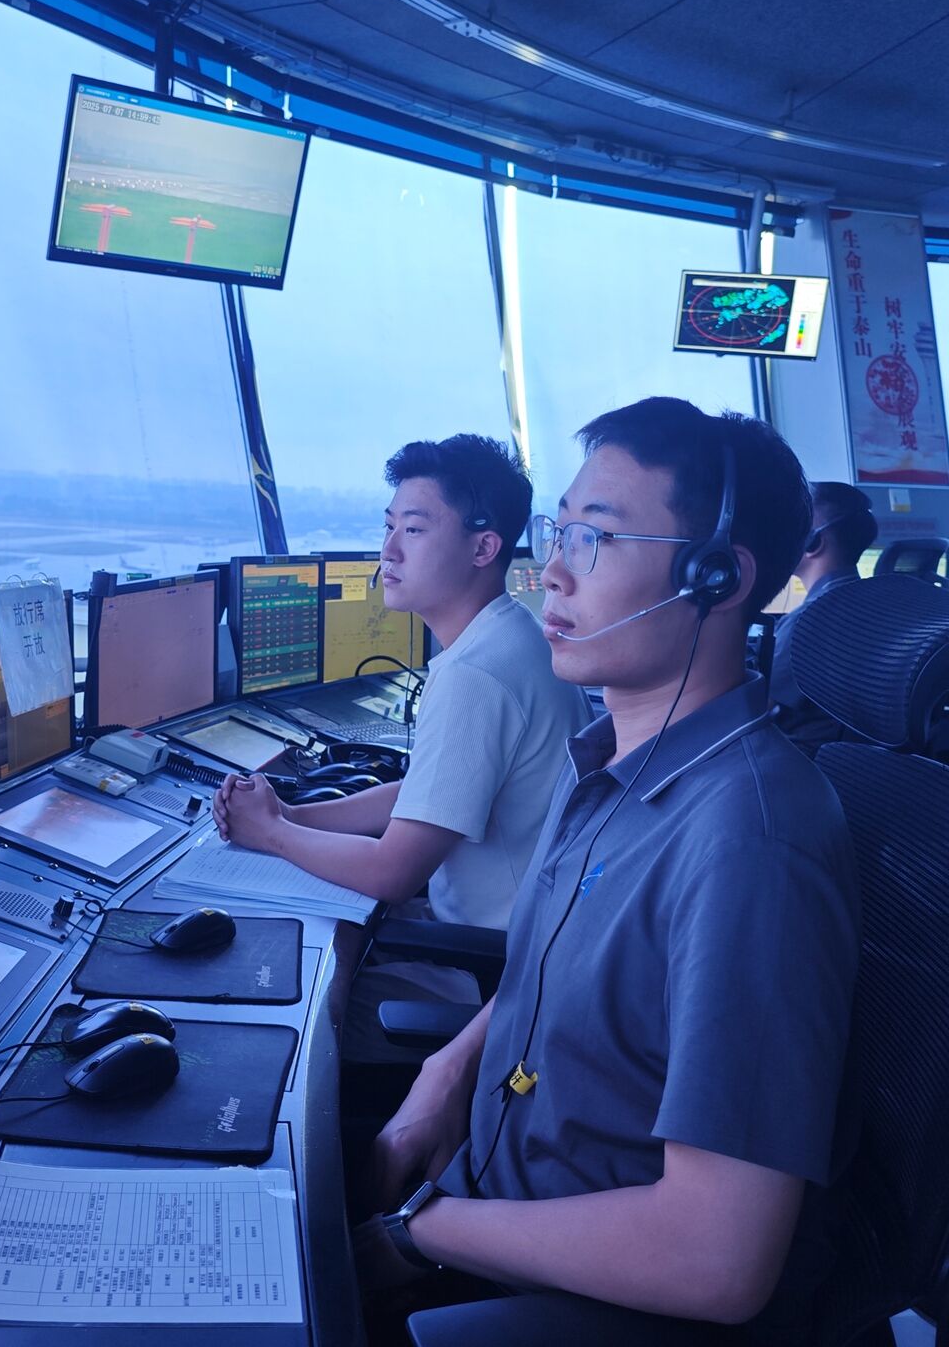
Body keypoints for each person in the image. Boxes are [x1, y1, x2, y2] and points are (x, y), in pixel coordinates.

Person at [356, 397, 859, 1338]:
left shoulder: (748, 846)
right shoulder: (608, 765)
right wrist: (446, 1072)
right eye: (560, 531)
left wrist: (417, 1234)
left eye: (595, 537)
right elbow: (548, 975)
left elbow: (714, 1256)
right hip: (487, 1190)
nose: (551, 569)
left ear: (716, 577)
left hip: (559, 1289)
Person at [212, 433, 590, 931]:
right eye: (389, 526)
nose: (388, 550)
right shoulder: (513, 634)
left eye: (413, 530)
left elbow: (391, 873)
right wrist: (290, 815)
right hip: (521, 930)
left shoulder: (474, 675)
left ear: (483, 548)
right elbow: (425, 797)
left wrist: (269, 834)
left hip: (484, 958)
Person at [769, 481, 876, 746]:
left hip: (801, 758)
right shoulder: (871, 605)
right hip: (848, 757)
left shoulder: (808, 621)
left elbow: (756, 707)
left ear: (813, 541)